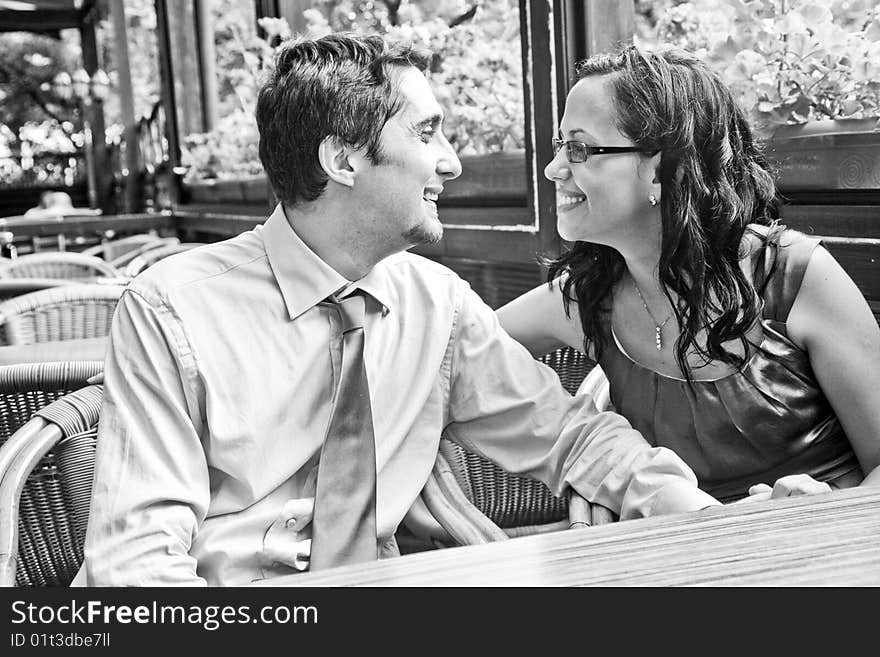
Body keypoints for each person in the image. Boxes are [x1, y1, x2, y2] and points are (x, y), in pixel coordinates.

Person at [78, 34, 721, 586]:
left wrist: (700, 518)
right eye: (427, 132)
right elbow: (138, 566)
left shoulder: (434, 304)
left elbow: (571, 436)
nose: (452, 161)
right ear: (345, 159)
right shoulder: (171, 309)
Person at [498, 45, 880, 504]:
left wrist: (828, 509)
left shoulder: (792, 275)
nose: (553, 168)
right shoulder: (587, 299)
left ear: (661, 168)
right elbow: (454, 349)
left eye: (578, 148)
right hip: (679, 560)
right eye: (561, 145)